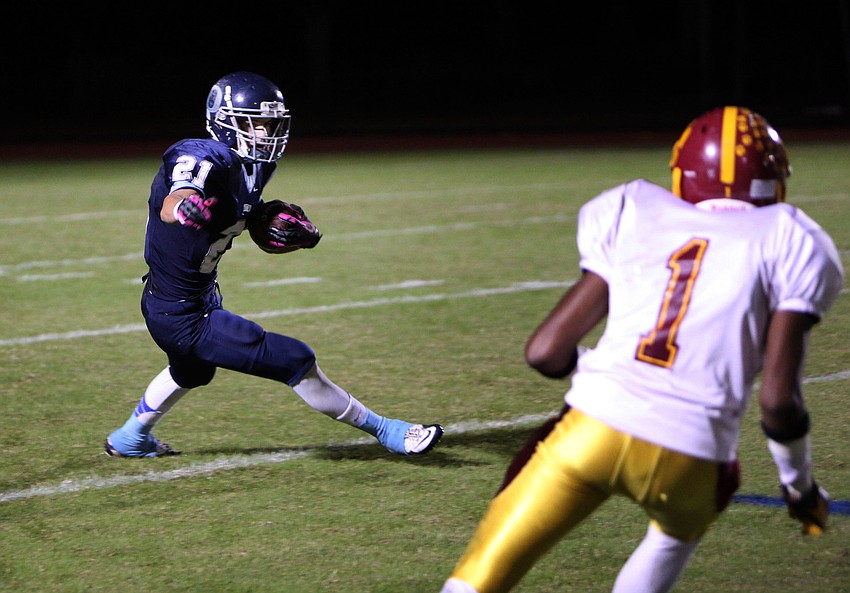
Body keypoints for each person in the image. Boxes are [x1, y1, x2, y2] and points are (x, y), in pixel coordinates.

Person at [438, 106, 844, 593]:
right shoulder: (792, 237)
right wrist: (799, 487)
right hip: (695, 455)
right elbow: (778, 399)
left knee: (479, 579)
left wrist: (606, 374)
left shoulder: (635, 208)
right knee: (671, 538)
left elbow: (545, 351)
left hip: (591, 432)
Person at [105, 71, 443, 458]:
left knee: (193, 372)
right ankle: (389, 431)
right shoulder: (201, 154)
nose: (264, 135)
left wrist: (274, 222)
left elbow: (240, 213)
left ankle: (129, 438)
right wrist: (183, 205)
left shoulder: (254, 166)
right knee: (294, 359)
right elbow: (179, 194)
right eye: (253, 125)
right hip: (181, 314)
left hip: (194, 298)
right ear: (223, 122)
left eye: (270, 125)